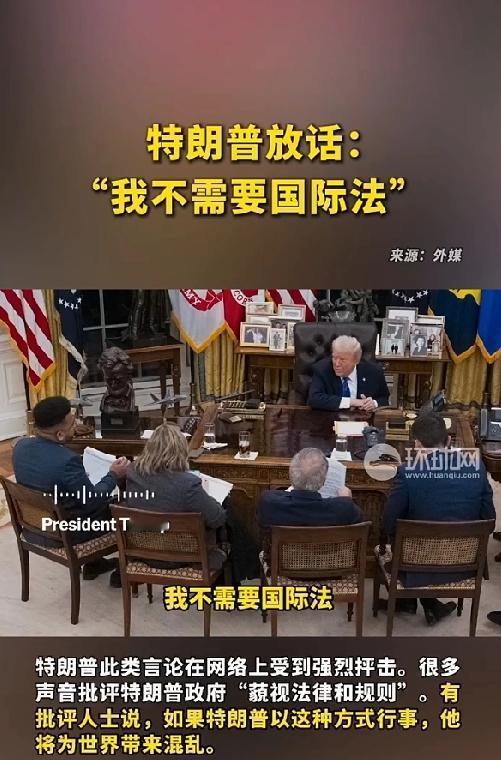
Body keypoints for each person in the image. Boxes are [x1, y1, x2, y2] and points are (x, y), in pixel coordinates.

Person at [382, 412, 496, 625]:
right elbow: (489, 520)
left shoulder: (407, 473)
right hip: (465, 565)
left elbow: (388, 523)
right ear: (449, 441)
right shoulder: (477, 467)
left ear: (417, 444)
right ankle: (424, 604)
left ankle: (408, 601)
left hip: (413, 566)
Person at [12, 396, 129, 584]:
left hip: (34, 527)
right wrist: (114, 475)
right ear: (59, 434)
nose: (77, 426)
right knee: (125, 507)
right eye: (73, 423)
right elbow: (92, 501)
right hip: (66, 533)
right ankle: (125, 572)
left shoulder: (20, 446)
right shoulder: (67, 461)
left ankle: (94, 564)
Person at [125, 423, 227, 570]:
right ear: (180, 450)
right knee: (227, 518)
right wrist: (212, 499)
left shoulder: (132, 473)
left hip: (143, 553)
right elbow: (217, 519)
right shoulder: (188, 484)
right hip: (183, 558)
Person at [258, 447, 364, 567]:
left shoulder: (269, 502)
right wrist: (347, 500)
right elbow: (360, 523)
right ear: (324, 481)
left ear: (291, 475)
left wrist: (289, 492)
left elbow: (262, 522)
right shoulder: (344, 507)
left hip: (284, 569)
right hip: (330, 569)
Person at [308, 335, 389, 411]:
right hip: (329, 418)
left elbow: (384, 399)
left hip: (362, 419)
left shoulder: (374, 372)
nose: (337, 364)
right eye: (334, 357)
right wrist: (352, 402)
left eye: (342, 359)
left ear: (356, 360)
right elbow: (314, 399)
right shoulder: (322, 369)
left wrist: (374, 403)